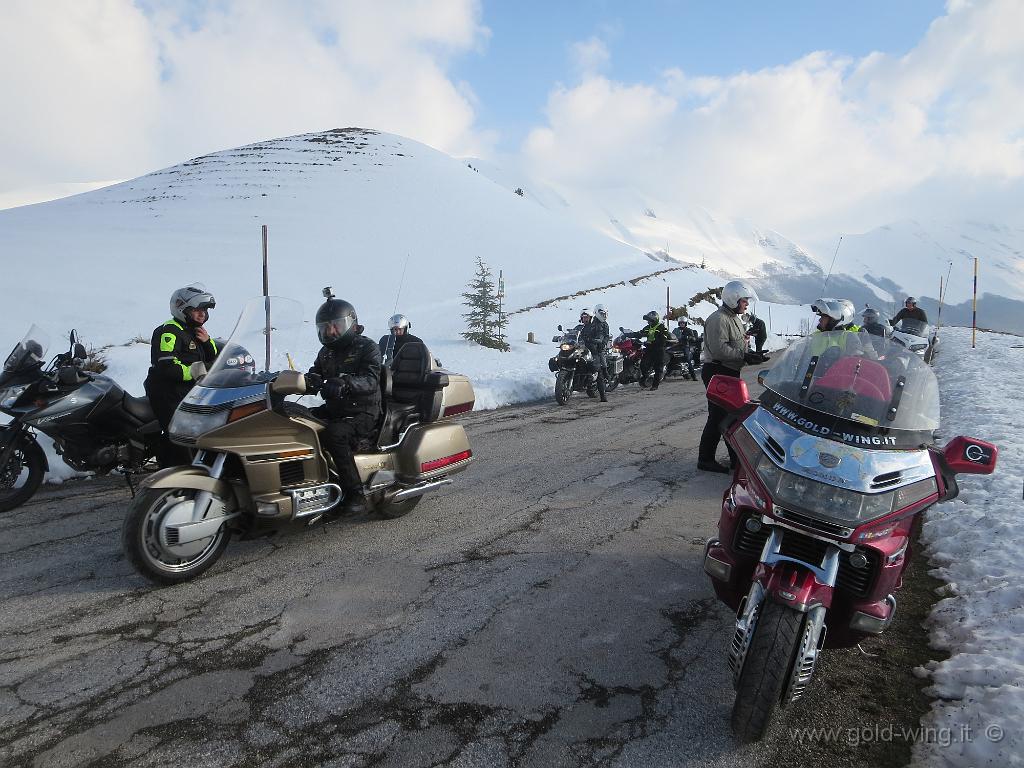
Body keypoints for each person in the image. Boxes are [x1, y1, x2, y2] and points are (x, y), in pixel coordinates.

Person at [305, 295, 382, 516]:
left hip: (363, 411)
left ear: (351, 323)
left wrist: (345, 383)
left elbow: (371, 380)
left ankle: (356, 494)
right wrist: (305, 381)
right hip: (337, 409)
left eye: (336, 325)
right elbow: (315, 373)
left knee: (335, 434)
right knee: (300, 420)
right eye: (325, 327)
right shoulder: (326, 352)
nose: (331, 331)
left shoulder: (366, 347)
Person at [144, 284, 218, 468]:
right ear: (182, 309)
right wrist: (195, 371)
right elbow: (167, 366)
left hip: (189, 391)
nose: (202, 314)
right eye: (197, 310)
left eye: (205, 310)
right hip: (167, 392)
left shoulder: (194, 331)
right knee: (179, 433)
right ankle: (175, 473)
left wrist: (207, 342)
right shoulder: (169, 331)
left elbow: (215, 357)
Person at [698, 281, 765, 473]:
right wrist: (744, 356)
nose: (746, 304)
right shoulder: (718, 319)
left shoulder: (734, 318)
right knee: (719, 416)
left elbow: (737, 345)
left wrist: (752, 354)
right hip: (718, 371)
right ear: (733, 299)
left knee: (730, 416)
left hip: (729, 371)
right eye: (744, 301)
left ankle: (736, 460)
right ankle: (706, 459)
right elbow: (719, 350)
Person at [632, 310, 672, 390]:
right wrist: (628, 334)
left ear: (654, 320)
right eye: (648, 320)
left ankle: (655, 385)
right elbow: (639, 333)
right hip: (649, 349)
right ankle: (646, 377)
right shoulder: (648, 327)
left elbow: (663, 340)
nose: (648, 322)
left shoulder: (662, 327)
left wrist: (652, 342)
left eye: (649, 320)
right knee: (643, 365)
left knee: (658, 368)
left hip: (658, 350)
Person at [579, 308, 608, 402]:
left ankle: (603, 395)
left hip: (593, 350)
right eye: (583, 317)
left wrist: (595, 340)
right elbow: (573, 334)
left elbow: (600, 336)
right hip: (582, 350)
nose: (585, 319)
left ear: (591, 317)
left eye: (586, 317)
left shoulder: (595, 326)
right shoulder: (580, 327)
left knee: (597, 369)